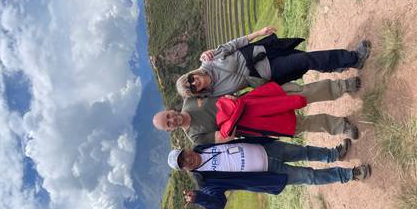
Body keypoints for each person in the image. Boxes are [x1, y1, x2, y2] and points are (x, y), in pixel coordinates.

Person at [166, 137, 371, 209]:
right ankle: (350, 174)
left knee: (304, 151)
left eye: (183, 155)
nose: (187, 160)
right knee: (309, 176)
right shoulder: (205, 182)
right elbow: (219, 204)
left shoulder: (202, 146)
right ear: (185, 169)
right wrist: (199, 198)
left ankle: (335, 153)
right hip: (267, 173)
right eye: (182, 163)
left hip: (265, 148)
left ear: (187, 150)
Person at [175, 26, 370, 98]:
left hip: (263, 51)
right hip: (267, 72)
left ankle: (339, 64)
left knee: (303, 57)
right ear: (196, 92)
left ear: (191, 73)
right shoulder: (214, 94)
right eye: (192, 87)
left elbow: (235, 44)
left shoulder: (209, 59)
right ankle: (354, 58)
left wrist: (259, 33)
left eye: (190, 79)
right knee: (304, 59)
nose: (194, 82)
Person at [152, 82, 359, 145]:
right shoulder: (196, 137)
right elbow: (224, 136)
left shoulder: (189, 99)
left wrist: (230, 99)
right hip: (252, 124)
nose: (172, 120)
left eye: (168, 116)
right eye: (168, 124)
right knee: (299, 125)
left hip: (251, 100)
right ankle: (342, 126)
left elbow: (210, 82)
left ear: (169, 110)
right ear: (170, 130)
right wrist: (229, 117)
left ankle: (342, 86)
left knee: (297, 94)